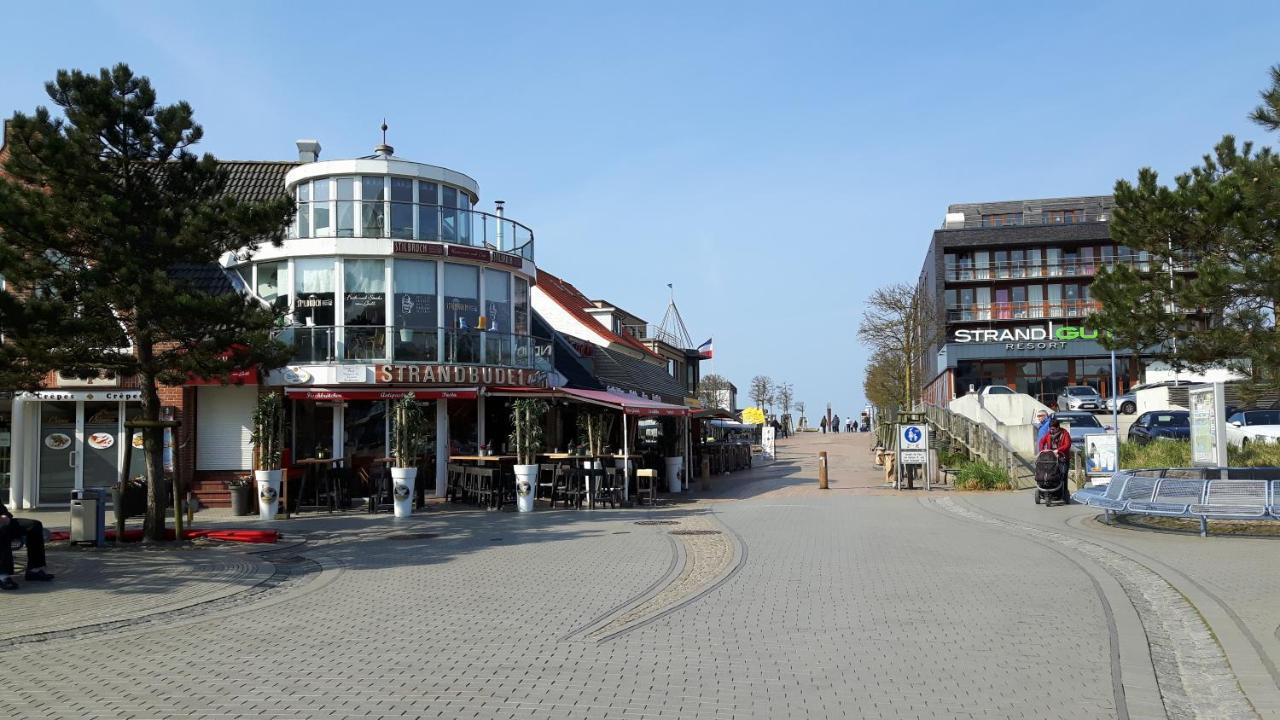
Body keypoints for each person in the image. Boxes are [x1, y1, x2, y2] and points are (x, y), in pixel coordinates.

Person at [0, 501, 55, 590]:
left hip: (3, 522)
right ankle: (2, 576)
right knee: (2, 532)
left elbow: (2, 509)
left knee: (34, 526)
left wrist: (5, 517)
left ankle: (34, 570)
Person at [1037, 418, 1072, 502]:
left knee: (1063, 475)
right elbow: (1042, 442)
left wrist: (1058, 450)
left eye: (1053, 429)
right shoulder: (1049, 434)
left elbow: (1067, 445)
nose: (1051, 431)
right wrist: (1042, 450)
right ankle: (1049, 491)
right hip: (1051, 459)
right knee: (1050, 474)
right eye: (1050, 429)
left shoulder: (1065, 434)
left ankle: (1064, 493)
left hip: (1062, 458)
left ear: (1058, 428)